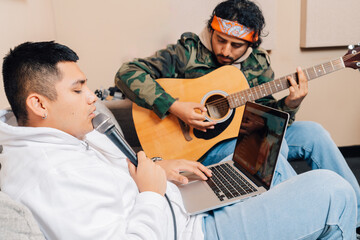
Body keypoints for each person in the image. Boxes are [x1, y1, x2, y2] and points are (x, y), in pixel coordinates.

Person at [0, 41, 358, 239]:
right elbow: (129, 74)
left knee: (272, 163)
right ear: (37, 103)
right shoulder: (49, 175)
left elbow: (108, 186)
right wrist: (153, 192)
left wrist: (160, 169)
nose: (93, 96)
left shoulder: (61, 134)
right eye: (78, 89)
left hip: (182, 199)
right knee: (330, 190)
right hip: (189, 228)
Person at [115, 0, 360, 225]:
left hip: (249, 132)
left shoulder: (258, 63)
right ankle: (307, 219)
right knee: (267, 151)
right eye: (220, 40)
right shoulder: (186, 52)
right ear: (211, 31)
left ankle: (355, 214)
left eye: (237, 45)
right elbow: (126, 73)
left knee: (314, 133)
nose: (226, 51)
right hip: (208, 146)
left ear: (251, 44)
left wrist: (291, 103)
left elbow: (268, 117)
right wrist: (175, 107)